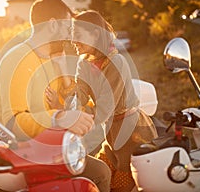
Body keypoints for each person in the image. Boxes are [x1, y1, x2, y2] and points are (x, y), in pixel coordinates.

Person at [0, 0, 111, 192]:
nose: (70, 34)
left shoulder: (54, 59)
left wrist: (65, 76)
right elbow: (13, 123)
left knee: (101, 172)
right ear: (53, 25)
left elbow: (69, 104)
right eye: (67, 27)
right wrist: (60, 117)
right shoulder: (16, 59)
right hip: (8, 152)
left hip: (45, 148)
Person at [59, 10, 158, 192]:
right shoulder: (84, 63)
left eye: (78, 35)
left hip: (132, 134)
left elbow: (105, 107)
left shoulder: (116, 63)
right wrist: (65, 108)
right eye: (72, 35)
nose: (73, 40)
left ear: (95, 34)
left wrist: (76, 124)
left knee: (119, 186)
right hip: (111, 133)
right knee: (97, 177)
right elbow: (79, 93)